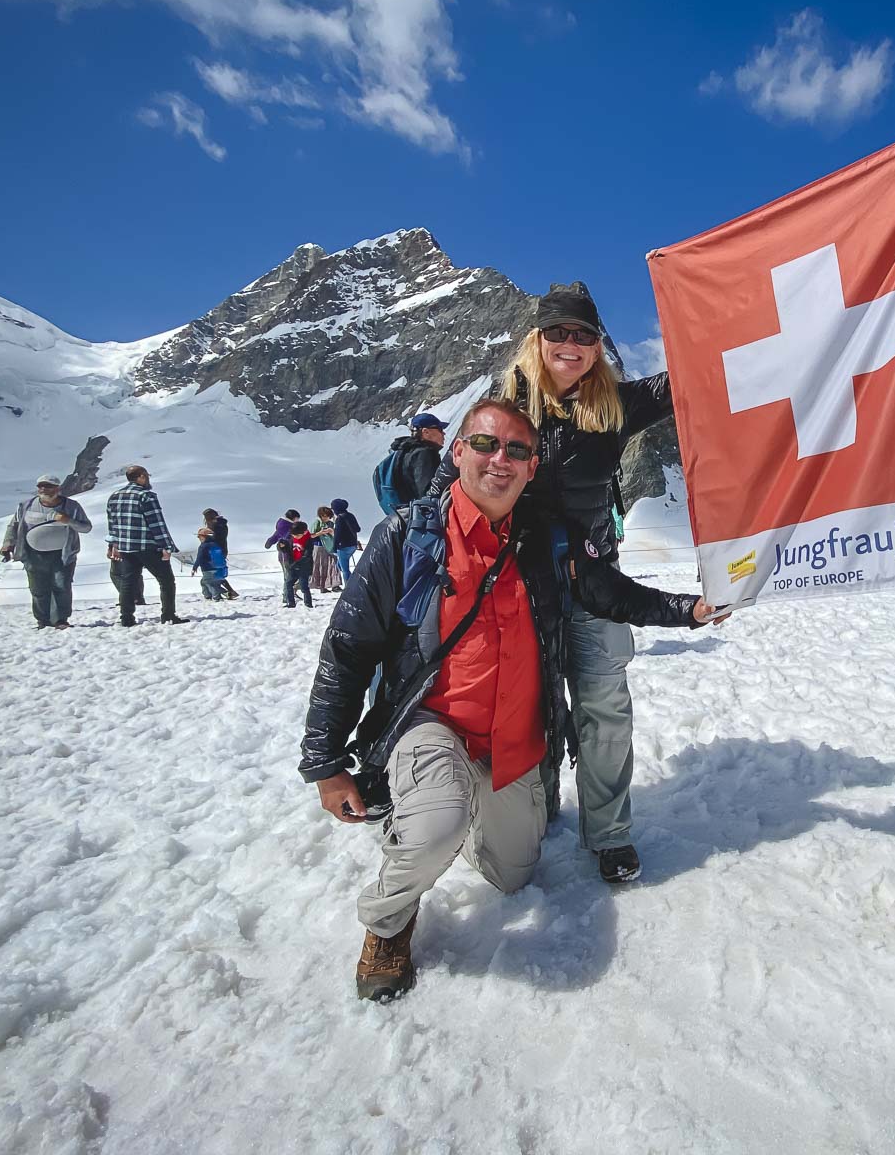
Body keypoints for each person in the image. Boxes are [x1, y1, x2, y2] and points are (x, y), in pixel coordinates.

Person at [299, 399, 720, 1001]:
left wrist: (691, 610)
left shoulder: (546, 541)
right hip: (434, 724)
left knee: (512, 873)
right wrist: (325, 764)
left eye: (517, 451)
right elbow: (349, 647)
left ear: (530, 470)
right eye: (487, 445)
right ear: (458, 453)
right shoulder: (409, 536)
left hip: (512, 741)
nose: (501, 460)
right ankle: (390, 920)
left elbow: (610, 593)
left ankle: (446, 810)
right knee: (438, 821)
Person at [430, 284, 678, 883]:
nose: (571, 344)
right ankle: (535, 811)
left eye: (584, 335)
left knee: (604, 709)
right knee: (532, 709)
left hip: (597, 581)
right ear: (536, 339)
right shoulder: (504, 410)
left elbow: (689, 379)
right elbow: (447, 487)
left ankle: (610, 831)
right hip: (519, 590)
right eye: (558, 333)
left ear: (598, 346)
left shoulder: (614, 406)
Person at [0, 473, 92, 629]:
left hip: (62, 554)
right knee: (38, 588)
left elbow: (86, 527)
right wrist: (8, 544)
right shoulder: (25, 506)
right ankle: (43, 620)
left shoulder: (72, 507)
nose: (44, 489)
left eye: (48, 486)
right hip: (33, 554)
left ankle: (61, 619)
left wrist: (68, 521)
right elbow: (13, 526)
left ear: (58, 488)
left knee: (61, 585)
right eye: (41, 486)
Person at [106, 464, 187, 626]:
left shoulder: (114, 496)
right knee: (166, 580)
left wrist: (113, 543)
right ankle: (168, 615)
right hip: (147, 545)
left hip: (126, 546)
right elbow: (156, 523)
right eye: (147, 476)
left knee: (128, 582)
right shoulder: (146, 496)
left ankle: (126, 617)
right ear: (141, 476)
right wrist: (166, 546)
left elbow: (112, 523)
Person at [380, 413, 447, 506]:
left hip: (409, 514)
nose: (444, 433)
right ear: (426, 432)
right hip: (424, 516)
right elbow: (428, 494)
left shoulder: (406, 452)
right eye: (440, 429)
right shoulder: (424, 454)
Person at [202, 509, 238, 599]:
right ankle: (228, 591)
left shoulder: (218, 526)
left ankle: (225, 592)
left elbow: (218, 538)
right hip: (219, 551)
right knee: (217, 575)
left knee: (212, 577)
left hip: (216, 552)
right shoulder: (221, 524)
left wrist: (208, 537)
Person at [280, 520, 317, 608]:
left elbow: (307, 556)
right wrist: (282, 547)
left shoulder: (308, 540)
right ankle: (291, 603)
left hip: (303, 567)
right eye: (293, 535)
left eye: (297, 535)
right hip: (292, 566)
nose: (295, 537)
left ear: (304, 532)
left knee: (304, 586)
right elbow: (287, 550)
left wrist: (296, 563)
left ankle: (308, 603)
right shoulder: (291, 539)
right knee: (289, 584)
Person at [331, 498, 363, 584]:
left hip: (343, 547)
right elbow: (358, 529)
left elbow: (337, 534)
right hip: (353, 545)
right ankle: (353, 583)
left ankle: (349, 588)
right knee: (340, 565)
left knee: (345, 570)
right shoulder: (351, 515)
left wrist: (334, 547)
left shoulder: (339, 518)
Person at [311, 505, 342, 593]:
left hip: (330, 546)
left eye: (327, 516)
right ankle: (322, 586)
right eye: (324, 516)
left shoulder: (331, 523)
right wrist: (320, 533)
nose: (326, 518)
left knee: (333, 565)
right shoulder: (316, 522)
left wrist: (331, 532)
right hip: (319, 546)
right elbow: (311, 535)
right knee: (321, 566)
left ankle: (335, 585)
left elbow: (335, 535)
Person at [192, 526, 229, 600]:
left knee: (208, 582)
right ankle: (208, 596)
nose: (199, 538)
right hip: (219, 568)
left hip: (208, 568)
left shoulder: (204, 546)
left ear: (204, 537)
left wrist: (194, 567)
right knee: (205, 582)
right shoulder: (216, 544)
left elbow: (200, 557)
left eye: (199, 536)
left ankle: (218, 595)